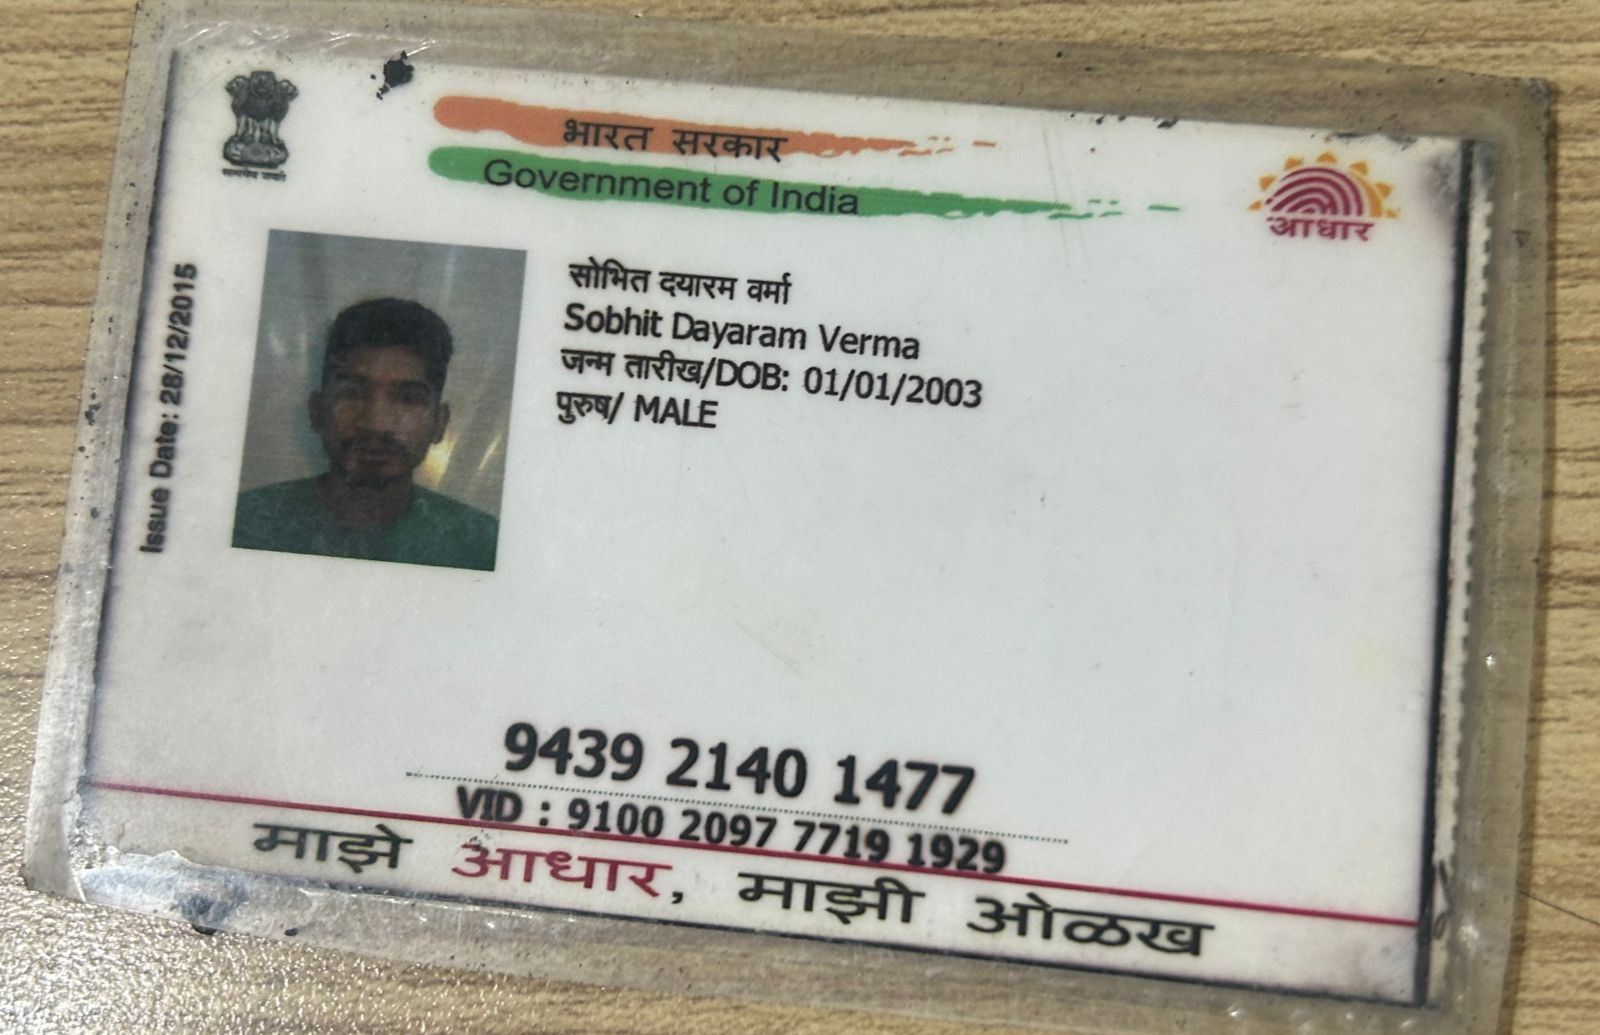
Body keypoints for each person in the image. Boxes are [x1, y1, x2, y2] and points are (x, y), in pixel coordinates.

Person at [232, 298, 499, 570]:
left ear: (440, 423)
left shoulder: (483, 545)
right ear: (317, 411)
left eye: (408, 398)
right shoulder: (244, 522)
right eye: (352, 393)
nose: (376, 424)